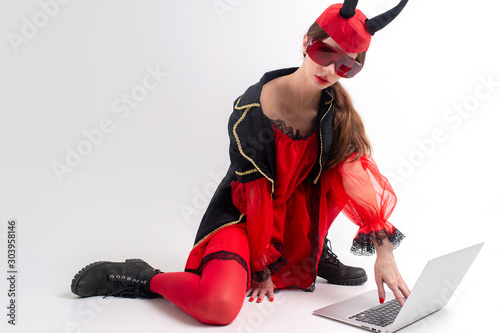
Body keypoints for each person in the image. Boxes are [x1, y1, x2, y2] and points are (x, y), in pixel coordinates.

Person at [71, 0, 411, 326]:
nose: (330, 69)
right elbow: (254, 194)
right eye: (325, 52)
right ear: (307, 42)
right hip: (245, 220)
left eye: (347, 65)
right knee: (217, 307)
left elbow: (357, 176)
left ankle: (313, 250)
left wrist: (385, 251)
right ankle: (144, 277)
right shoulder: (251, 109)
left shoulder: (336, 113)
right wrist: (260, 265)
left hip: (294, 223)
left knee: (345, 164)